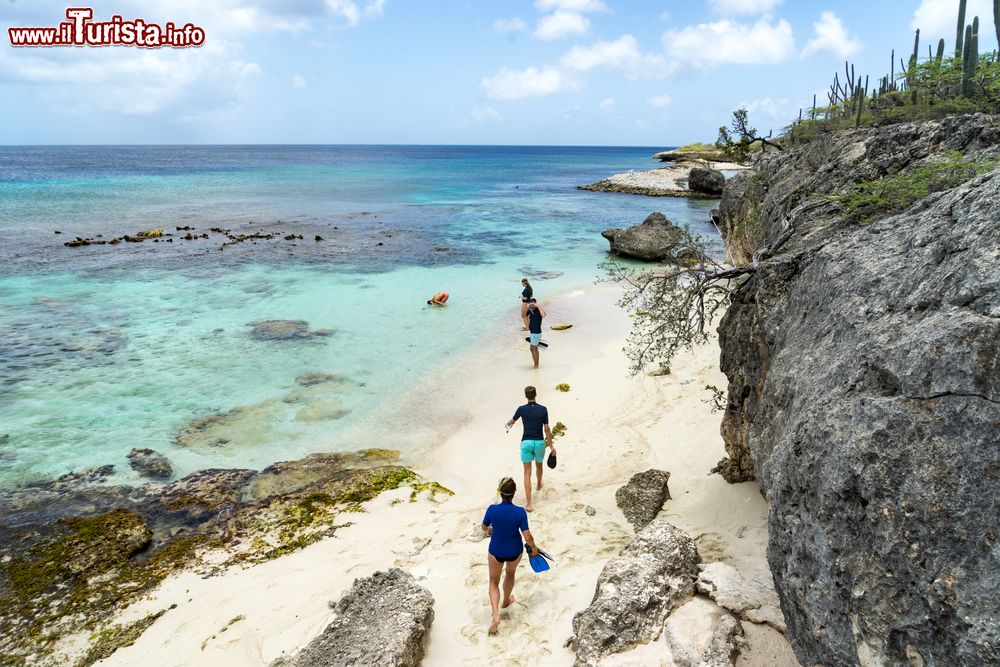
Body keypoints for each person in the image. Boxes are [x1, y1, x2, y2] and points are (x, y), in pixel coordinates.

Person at [482, 476, 538, 636]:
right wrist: (534, 548)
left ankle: (495, 615)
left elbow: (484, 527)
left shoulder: (492, 509)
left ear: (500, 492)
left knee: (493, 581)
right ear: (514, 493)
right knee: (511, 573)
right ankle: (506, 600)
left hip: (496, 549)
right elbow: (527, 536)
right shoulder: (520, 511)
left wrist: (490, 530)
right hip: (514, 550)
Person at [505, 385, 554, 512]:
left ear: (526, 396)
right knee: (539, 465)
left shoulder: (521, 409)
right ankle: (538, 484)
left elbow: (511, 422)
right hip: (539, 442)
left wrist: (506, 426)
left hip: (526, 442)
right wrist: (551, 445)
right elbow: (547, 429)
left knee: (527, 472)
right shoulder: (543, 409)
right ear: (535, 394)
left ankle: (529, 504)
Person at [525, 298, 545, 368]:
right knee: (533, 348)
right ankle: (536, 364)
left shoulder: (538, 310)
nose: (531, 305)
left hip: (536, 333)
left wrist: (538, 306)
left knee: (533, 348)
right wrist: (527, 307)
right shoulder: (531, 311)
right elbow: (524, 315)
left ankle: (536, 365)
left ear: (535, 304)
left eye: (533, 304)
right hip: (533, 333)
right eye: (530, 304)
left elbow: (543, 315)